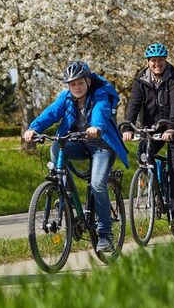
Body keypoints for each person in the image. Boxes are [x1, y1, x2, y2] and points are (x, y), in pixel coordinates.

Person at [23, 61, 128, 252]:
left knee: (97, 184)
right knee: (56, 146)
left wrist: (95, 127)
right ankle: (63, 189)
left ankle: (105, 234)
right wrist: (33, 128)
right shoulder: (65, 98)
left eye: (80, 83)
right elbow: (50, 114)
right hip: (78, 143)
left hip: (101, 145)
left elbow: (101, 112)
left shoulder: (100, 95)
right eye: (72, 84)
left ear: (88, 81)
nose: (77, 87)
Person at [121, 43, 174, 229]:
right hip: (152, 128)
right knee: (144, 155)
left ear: (165, 60)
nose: (157, 64)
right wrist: (127, 127)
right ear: (148, 62)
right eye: (153, 60)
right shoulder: (140, 81)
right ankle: (155, 186)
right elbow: (134, 105)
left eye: (160, 60)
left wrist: (172, 127)